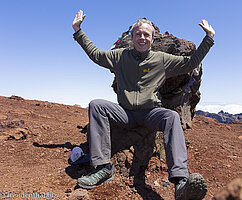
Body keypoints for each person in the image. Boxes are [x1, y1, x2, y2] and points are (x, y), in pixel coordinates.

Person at [72, 10, 215, 200]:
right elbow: (96, 54)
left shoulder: (161, 59)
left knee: (171, 117)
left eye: (146, 34)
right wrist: (78, 31)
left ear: (152, 39)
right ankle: (103, 168)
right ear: (132, 37)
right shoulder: (120, 56)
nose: (142, 37)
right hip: (125, 113)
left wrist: (208, 39)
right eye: (138, 34)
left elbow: (190, 63)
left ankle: (180, 182)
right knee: (97, 105)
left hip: (150, 114)